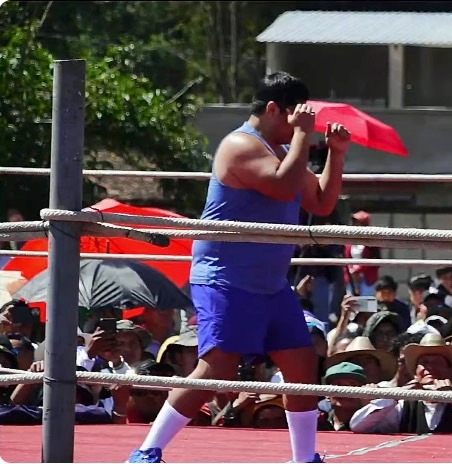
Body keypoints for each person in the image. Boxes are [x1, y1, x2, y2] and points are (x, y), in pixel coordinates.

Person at [126, 71, 351, 463]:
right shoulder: (239, 144)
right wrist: (301, 137)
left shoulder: (284, 150)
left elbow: (320, 203)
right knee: (217, 368)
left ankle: (304, 457)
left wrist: (337, 152)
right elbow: (282, 187)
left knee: (301, 363)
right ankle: (148, 450)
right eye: (296, 116)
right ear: (273, 110)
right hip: (226, 276)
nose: (304, 124)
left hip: (270, 282)